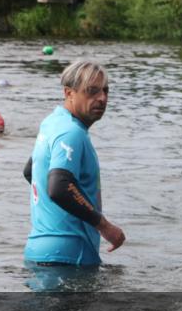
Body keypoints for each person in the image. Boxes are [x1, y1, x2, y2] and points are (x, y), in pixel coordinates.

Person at [23, 60, 125, 270]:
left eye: (105, 91)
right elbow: (59, 186)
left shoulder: (52, 123)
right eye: (92, 91)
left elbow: (31, 171)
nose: (102, 98)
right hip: (69, 258)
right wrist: (105, 226)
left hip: (39, 251)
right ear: (69, 93)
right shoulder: (72, 133)